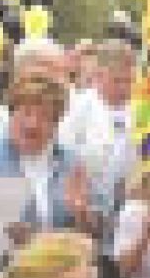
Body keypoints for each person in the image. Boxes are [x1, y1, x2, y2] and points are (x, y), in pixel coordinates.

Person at [0, 72, 108, 244]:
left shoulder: (73, 163)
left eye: (44, 116)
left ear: (57, 123)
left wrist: (81, 213)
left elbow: (98, 234)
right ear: (11, 114)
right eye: (26, 113)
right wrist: (4, 233)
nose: (33, 124)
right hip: (1, 268)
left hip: (62, 267)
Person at [58, 40, 137, 197]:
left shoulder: (139, 111)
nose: (124, 88)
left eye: (129, 81)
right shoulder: (77, 108)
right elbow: (62, 157)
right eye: (117, 81)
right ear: (99, 75)